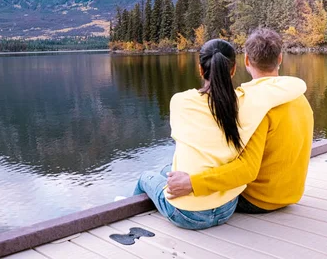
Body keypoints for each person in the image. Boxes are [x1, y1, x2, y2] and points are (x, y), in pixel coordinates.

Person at [133, 37, 306, 229]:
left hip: (207, 209)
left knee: (147, 177)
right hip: (234, 204)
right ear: (233, 69)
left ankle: (128, 219)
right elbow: (294, 85)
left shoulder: (181, 101)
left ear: (200, 69)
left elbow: (247, 169)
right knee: (168, 171)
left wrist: (193, 182)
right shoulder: (255, 101)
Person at [165, 28, 314, 214]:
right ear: (280, 58)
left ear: (246, 61)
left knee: (170, 173)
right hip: (291, 193)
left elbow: (246, 169)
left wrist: (193, 183)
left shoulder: (257, 105)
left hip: (258, 199)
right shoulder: (298, 96)